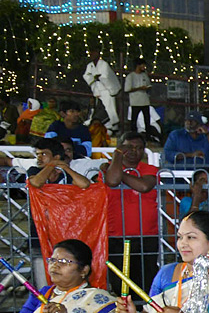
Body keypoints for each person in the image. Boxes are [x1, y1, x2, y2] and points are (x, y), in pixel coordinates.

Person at [102, 132, 160, 293]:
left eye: (139, 148)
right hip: (116, 236)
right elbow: (112, 181)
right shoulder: (112, 167)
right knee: (120, 284)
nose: (134, 151)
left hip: (146, 235)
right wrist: (117, 158)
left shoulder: (150, 169)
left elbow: (143, 186)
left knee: (146, 283)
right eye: (129, 147)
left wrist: (121, 175)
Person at [26, 138, 90, 189]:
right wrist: (53, 163)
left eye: (43, 154)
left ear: (56, 157)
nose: (39, 158)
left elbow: (84, 184)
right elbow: (36, 183)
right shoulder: (34, 170)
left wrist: (66, 168)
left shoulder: (63, 174)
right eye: (37, 154)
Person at [83, 49, 120, 131]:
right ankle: (97, 122)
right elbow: (86, 75)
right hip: (98, 89)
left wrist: (98, 77)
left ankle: (113, 125)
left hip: (107, 89)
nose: (91, 55)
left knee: (110, 108)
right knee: (97, 107)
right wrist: (93, 78)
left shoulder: (104, 64)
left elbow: (105, 76)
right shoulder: (90, 65)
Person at [124, 60, 152, 136]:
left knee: (147, 119)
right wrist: (139, 88)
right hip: (135, 102)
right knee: (134, 120)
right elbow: (127, 89)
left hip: (145, 101)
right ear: (138, 65)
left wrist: (147, 88)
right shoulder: (131, 76)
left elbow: (148, 84)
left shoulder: (144, 75)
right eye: (142, 65)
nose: (144, 67)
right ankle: (133, 135)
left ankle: (148, 135)